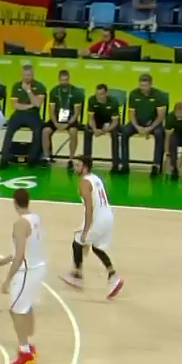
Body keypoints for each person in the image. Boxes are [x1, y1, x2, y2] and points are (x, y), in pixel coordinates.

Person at [0, 189, 45, 364]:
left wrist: (8, 278)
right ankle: (28, 345)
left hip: (26, 271)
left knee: (15, 310)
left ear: (15, 203)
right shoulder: (35, 218)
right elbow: (27, 249)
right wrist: (4, 260)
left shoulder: (20, 224)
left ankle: (25, 352)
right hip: (37, 268)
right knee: (25, 306)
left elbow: (21, 255)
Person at [61, 157, 123, 299]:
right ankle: (113, 275)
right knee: (96, 247)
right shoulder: (96, 178)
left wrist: (86, 230)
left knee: (78, 241)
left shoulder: (84, 183)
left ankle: (77, 275)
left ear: (85, 167)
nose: (75, 168)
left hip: (98, 219)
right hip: (108, 216)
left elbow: (89, 208)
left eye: (78, 165)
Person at [117, 73, 166, 176]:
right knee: (125, 131)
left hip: (153, 123)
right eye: (141, 85)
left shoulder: (159, 95)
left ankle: (156, 165)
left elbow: (161, 116)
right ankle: (124, 164)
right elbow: (131, 114)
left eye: (145, 86)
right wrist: (137, 127)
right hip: (137, 123)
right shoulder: (134, 94)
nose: (143, 88)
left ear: (151, 84)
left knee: (159, 133)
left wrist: (150, 128)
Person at [0, 63, 46, 169]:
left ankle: (33, 159)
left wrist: (28, 91)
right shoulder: (16, 86)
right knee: (9, 130)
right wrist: (29, 106)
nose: (26, 77)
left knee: (38, 130)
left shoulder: (39, 86)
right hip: (18, 114)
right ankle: (4, 158)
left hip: (33, 114)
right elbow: (15, 105)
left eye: (28, 75)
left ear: (32, 75)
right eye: (25, 75)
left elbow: (37, 104)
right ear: (21, 75)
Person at [42, 70, 83, 166]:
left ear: (68, 80)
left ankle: (71, 159)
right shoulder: (54, 91)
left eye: (65, 80)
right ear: (59, 80)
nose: (63, 82)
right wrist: (55, 123)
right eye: (62, 80)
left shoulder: (76, 92)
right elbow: (51, 110)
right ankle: (46, 157)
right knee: (45, 131)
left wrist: (67, 124)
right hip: (57, 118)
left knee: (73, 131)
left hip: (70, 119)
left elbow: (76, 113)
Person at [80, 83, 120, 171]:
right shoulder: (92, 100)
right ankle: (87, 162)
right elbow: (90, 119)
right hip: (97, 120)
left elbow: (115, 122)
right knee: (87, 130)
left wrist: (104, 131)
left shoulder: (113, 102)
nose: (99, 97)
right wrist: (95, 129)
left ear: (106, 93)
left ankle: (115, 164)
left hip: (109, 121)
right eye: (97, 94)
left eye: (101, 94)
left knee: (115, 134)